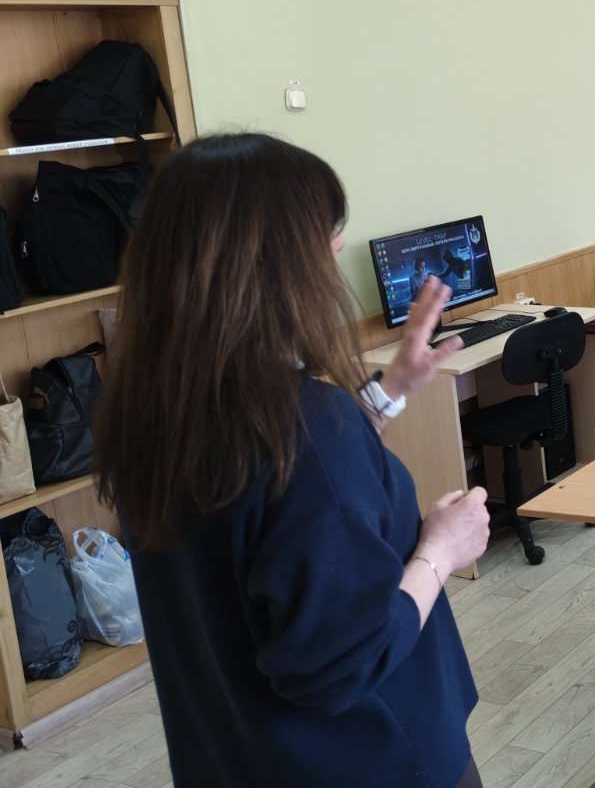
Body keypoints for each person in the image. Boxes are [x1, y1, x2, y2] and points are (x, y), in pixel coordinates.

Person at [93, 134, 488, 788]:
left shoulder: (153, 411)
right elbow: (343, 665)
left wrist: (388, 390)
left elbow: (274, 490)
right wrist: (440, 552)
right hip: (375, 760)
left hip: (235, 757)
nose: (337, 245)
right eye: (322, 230)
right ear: (268, 259)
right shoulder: (306, 428)